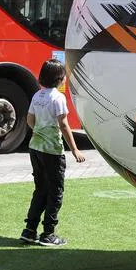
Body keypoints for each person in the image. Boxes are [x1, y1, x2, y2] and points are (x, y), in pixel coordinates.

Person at [20, 59, 86, 247]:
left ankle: (29, 230)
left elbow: (29, 119)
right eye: (64, 75)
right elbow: (64, 125)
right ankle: (48, 234)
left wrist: (39, 131)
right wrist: (74, 149)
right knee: (55, 192)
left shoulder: (37, 96)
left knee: (40, 189)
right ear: (59, 78)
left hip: (36, 148)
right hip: (52, 151)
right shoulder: (58, 98)